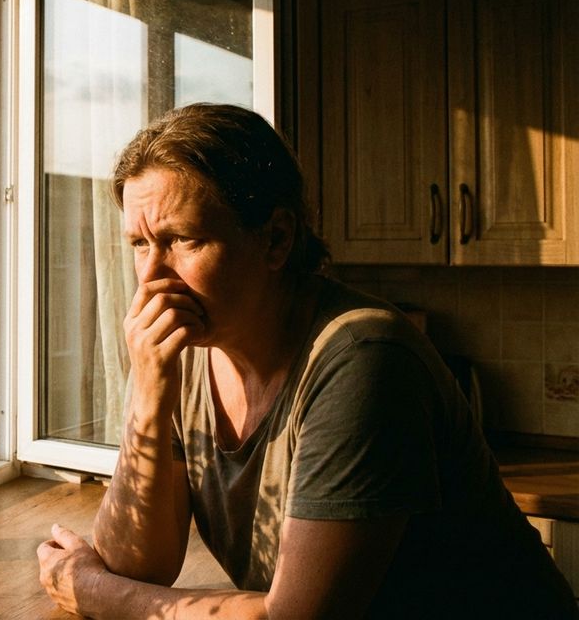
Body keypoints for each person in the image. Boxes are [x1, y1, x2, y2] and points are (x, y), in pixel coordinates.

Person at [37, 103, 577, 619]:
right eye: (138, 243)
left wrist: (87, 586)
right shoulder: (192, 352)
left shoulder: (361, 359)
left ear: (275, 239)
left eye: (183, 239)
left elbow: (298, 617)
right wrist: (149, 395)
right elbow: (138, 564)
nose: (152, 276)